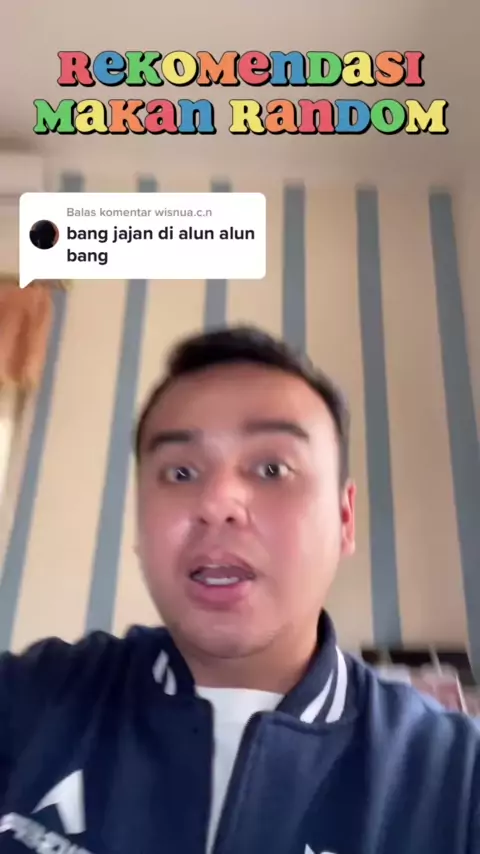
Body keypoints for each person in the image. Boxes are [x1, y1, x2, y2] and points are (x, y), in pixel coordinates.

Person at [0, 325, 479, 854]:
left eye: (272, 468)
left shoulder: (457, 779)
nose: (217, 502)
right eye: (180, 473)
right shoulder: (32, 699)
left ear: (344, 520)